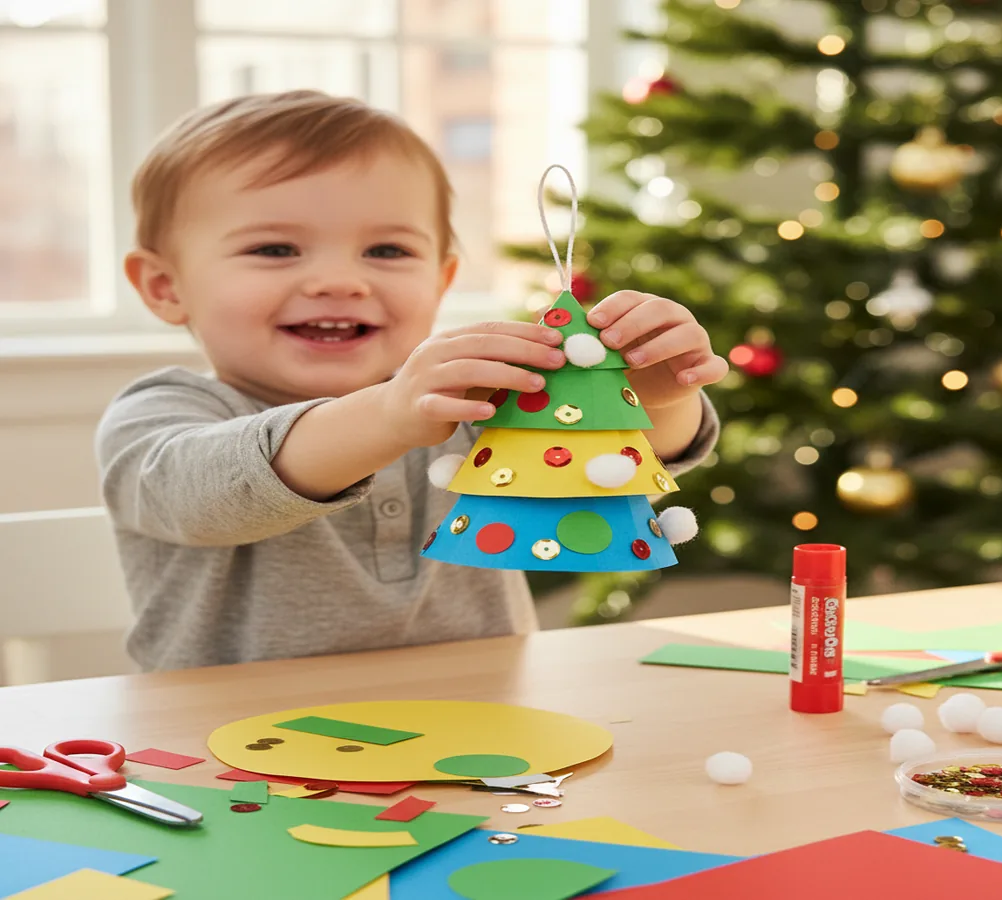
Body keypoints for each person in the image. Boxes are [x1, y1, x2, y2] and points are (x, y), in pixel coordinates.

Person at [96, 90, 725, 671]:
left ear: (442, 279)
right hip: (228, 761)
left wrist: (653, 397)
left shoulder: (485, 395)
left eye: (388, 251)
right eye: (275, 250)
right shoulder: (162, 411)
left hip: (486, 743)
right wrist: (390, 416)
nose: (340, 281)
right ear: (165, 286)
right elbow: (202, 498)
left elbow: (622, 465)